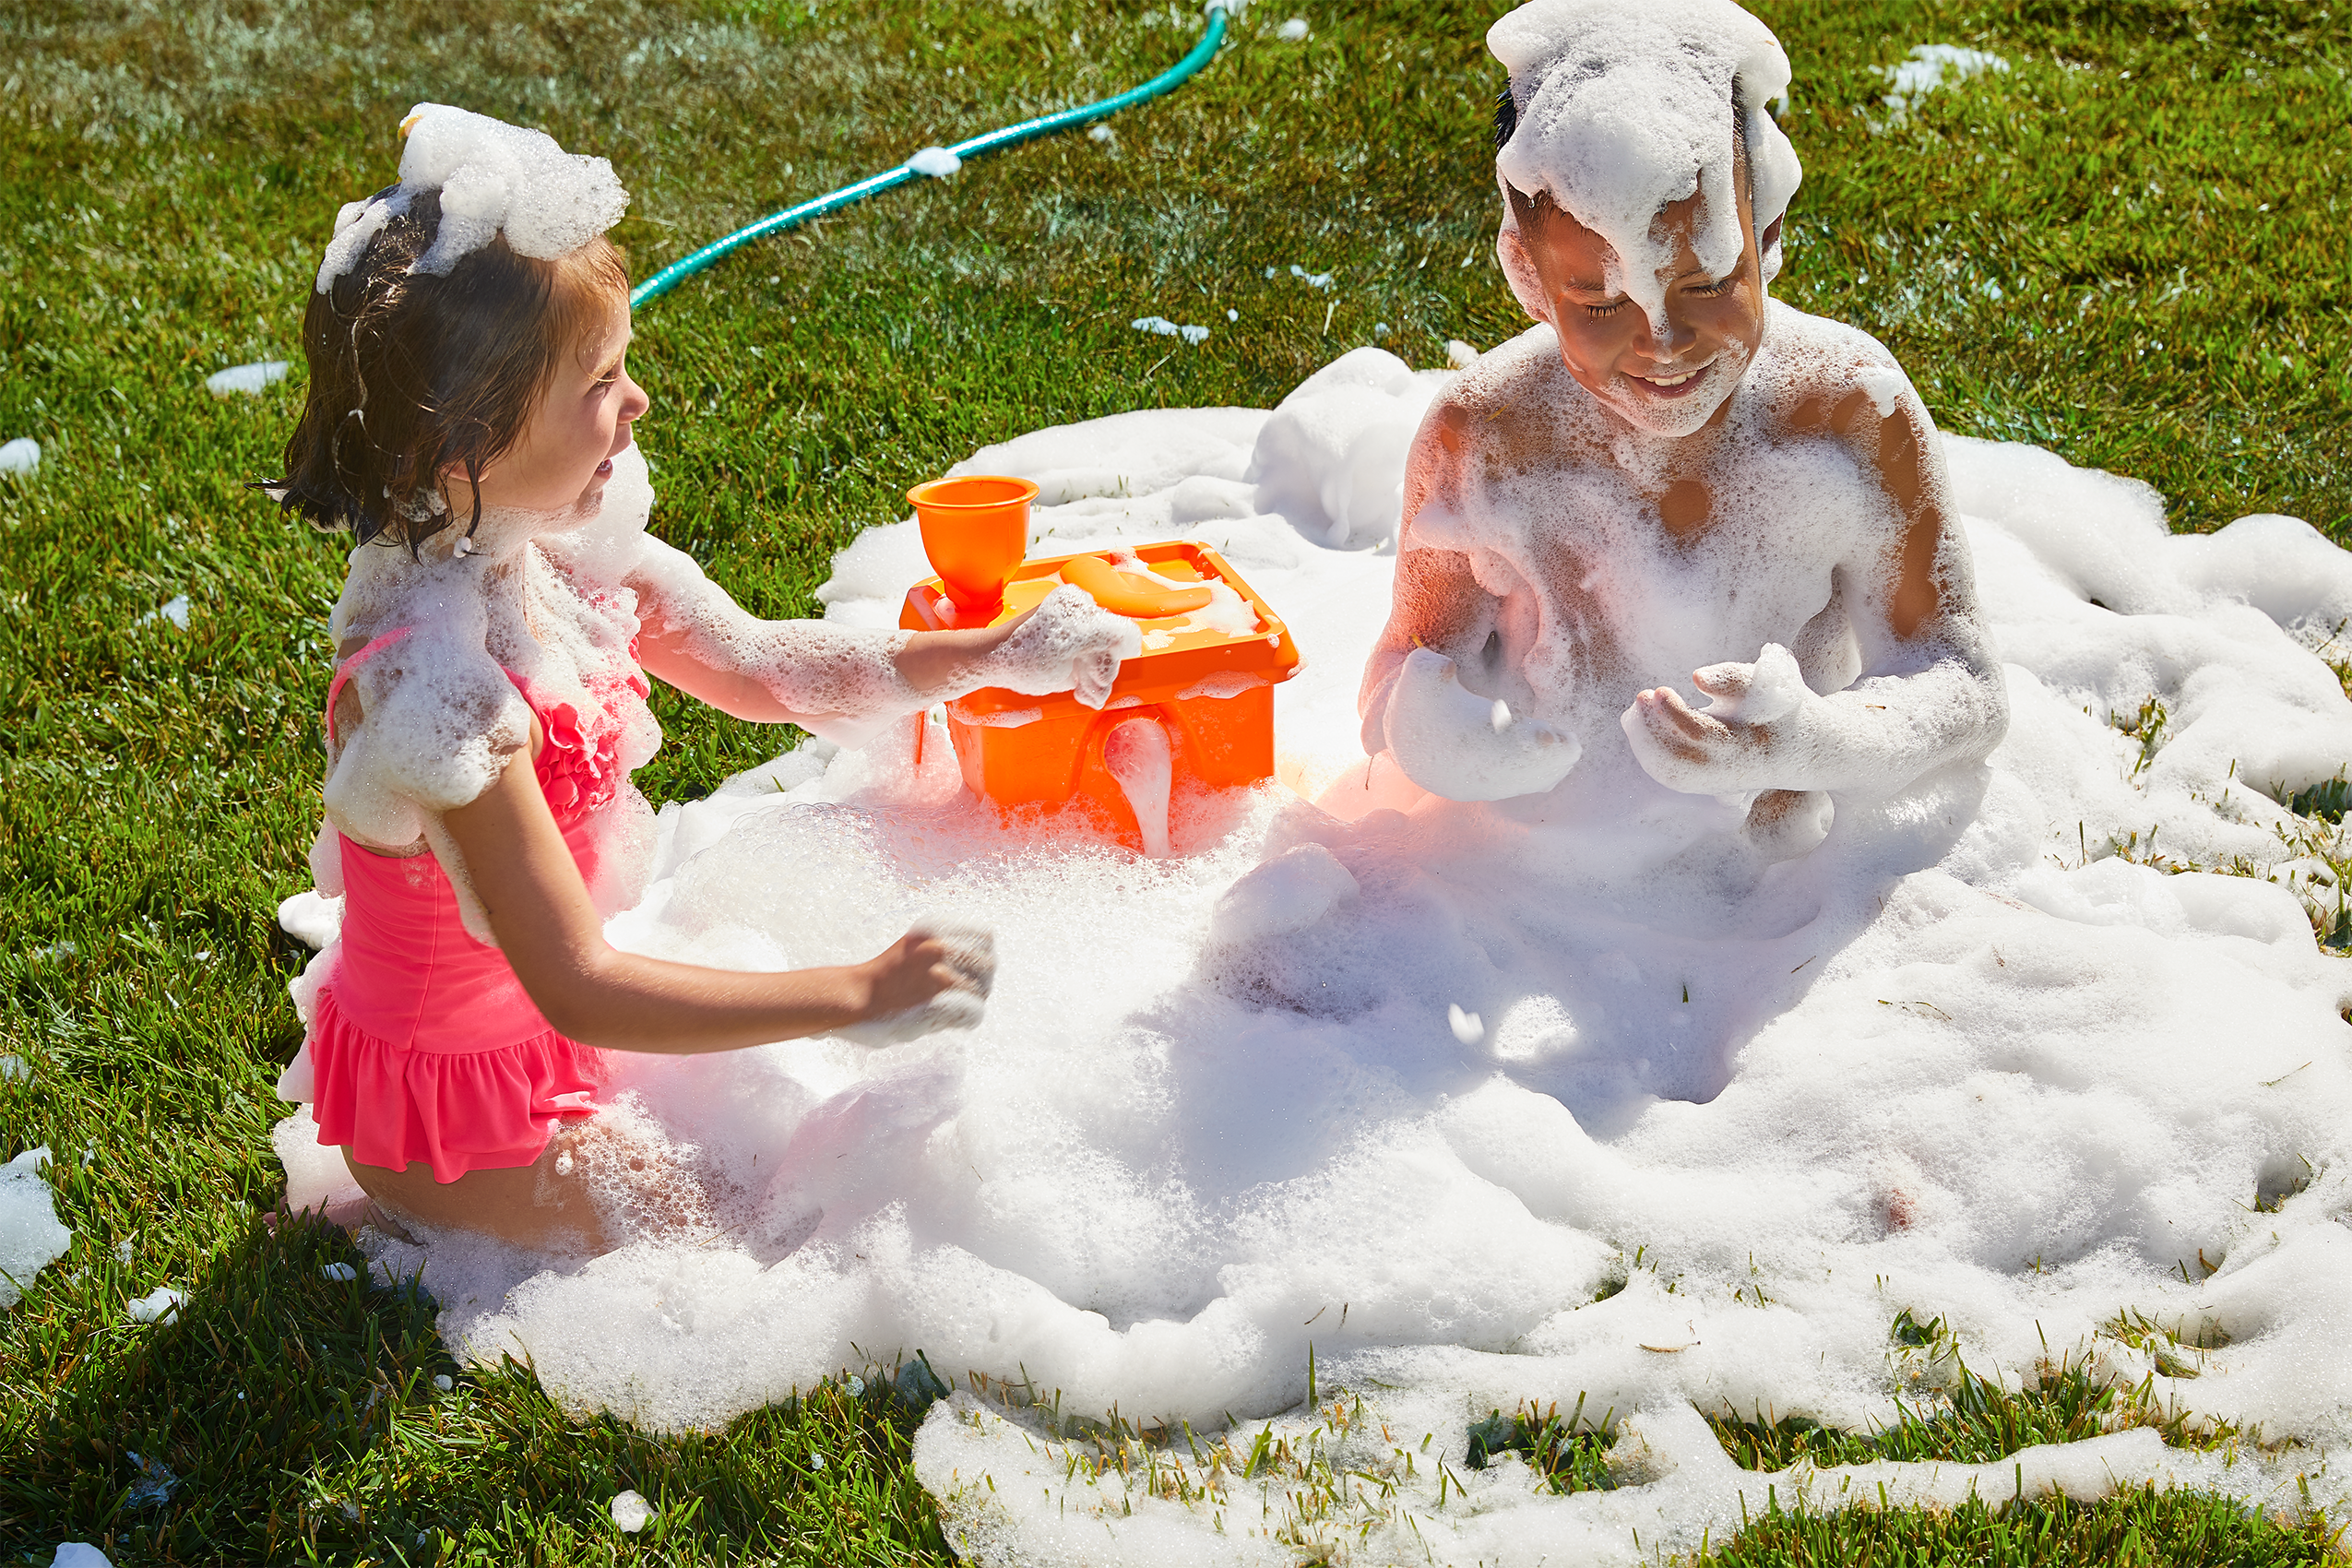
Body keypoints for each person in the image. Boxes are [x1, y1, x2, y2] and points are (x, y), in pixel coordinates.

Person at [267, 104, 1136, 1251]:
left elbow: (767, 667)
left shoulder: (565, 556)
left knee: (810, 1192)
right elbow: (578, 981)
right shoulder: (441, 693)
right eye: (602, 381)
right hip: (454, 1119)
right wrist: (856, 994)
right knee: (754, 1233)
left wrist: (991, 654)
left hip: (548, 1036)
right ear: (464, 453)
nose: (637, 404)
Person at [1353, 0, 2007, 873]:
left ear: (1765, 233)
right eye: (1599, 302)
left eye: (1705, 283)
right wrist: (1427, 738)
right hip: (1550, 872)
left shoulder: (1851, 414)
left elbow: (1962, 682)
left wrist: (1812, 742)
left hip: (1781, 873)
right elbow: (1405, 662)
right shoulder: (1485, 435)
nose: (1661, 340)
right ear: (1528, 275)